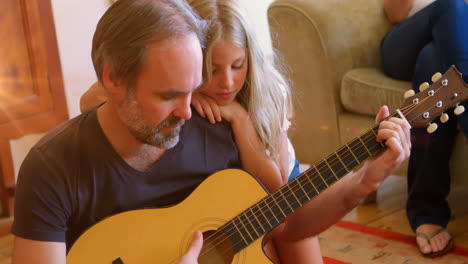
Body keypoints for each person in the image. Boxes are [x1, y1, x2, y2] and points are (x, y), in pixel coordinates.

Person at [11, 0, 411, 263]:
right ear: (112, 79)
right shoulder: (52, 168)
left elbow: (285, 224)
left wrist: (365, 179)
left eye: (191, 89)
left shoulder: (220, 129)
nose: (188, 112)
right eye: (169, 95)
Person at [381, 0, 468, 258]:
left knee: (432, 58)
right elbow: (394, 12)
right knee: (451, 4)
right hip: (405, 43)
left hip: (451, 49)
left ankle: (426, 210)